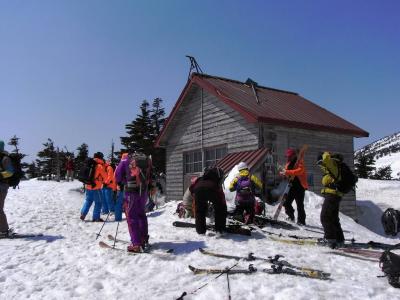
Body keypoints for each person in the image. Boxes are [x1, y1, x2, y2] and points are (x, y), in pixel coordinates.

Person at [115, 152, 151, 252]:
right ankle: (143, 238)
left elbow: (118, 175)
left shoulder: (125, 160)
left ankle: (136, 244)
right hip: (143, 191)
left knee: (131, 217)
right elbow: (150, 175)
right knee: (141, 215)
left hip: (131, 192)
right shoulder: (146, 159)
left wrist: (120, 183)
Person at [317, 151, 345, 249]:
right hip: (335, 195)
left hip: (332, 195)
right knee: (333, 218)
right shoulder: (334, 169)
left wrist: (324, 153)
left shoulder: (333, 166)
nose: (320, 165)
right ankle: (339, 239)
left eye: (320, 163)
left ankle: (330, 240)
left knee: (325, 216)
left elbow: (326, 159)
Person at [190, 167, 226, 234]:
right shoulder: (216, 179)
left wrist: (195, 195)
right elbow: (220, 193)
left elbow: (191, 188)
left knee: (200, 211)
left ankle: (200, 231)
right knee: (220, 208)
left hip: (198, 190)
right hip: (212, 189)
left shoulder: (200, 179)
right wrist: (222, 204)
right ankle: (219, 230)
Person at [280, 148, 308, 225]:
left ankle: (301, 221)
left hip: (300, 186)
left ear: (293, 155)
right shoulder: (288, 163)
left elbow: (299, 171)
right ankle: (291, 216)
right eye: (287, 156)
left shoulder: (299, 161)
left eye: (289, 156)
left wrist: (287, 172)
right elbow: (286, 172)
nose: (288, 158)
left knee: (299, 205)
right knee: (286, 203)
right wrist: (283, 174)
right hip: (291, 186)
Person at [80, 152, 107, 222]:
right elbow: (105, 177)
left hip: (88, 186)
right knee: (99, 202)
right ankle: (96, 217)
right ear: (100, 157)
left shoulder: (89, 164)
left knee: (88, 200)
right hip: (96, 187)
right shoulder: (99, 166)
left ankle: (83, 213)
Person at [0, 140, 14, 237]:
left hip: (2, 187)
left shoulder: (5, 159)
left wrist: (0, 175)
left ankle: (3, 231)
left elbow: (10, 172)